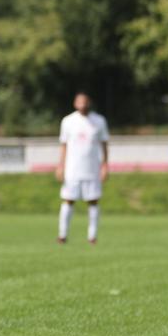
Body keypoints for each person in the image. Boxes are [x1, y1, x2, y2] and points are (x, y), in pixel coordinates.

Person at [56, 92, 109, 244]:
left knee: (93, 201)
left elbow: (104, 143)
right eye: (79, 102)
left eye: (85, 102)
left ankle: (92, 236)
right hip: (72, 169)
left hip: (92, 169)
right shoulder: (68, 121)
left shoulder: (99, 121)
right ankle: (62, 235)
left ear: (89, 103)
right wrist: (61, 165)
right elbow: (63, 145)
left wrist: (105, 165)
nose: (82, 105)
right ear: (75, 103)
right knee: (68, 200)